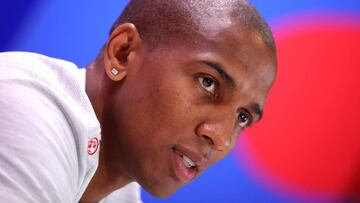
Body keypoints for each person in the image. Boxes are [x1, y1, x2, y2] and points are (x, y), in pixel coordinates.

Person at [0, 0, 277, 202]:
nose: (222, 139)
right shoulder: (25, 106)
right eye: (208, 82)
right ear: (123, 52)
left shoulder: (122, 195)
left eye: (242, 117)